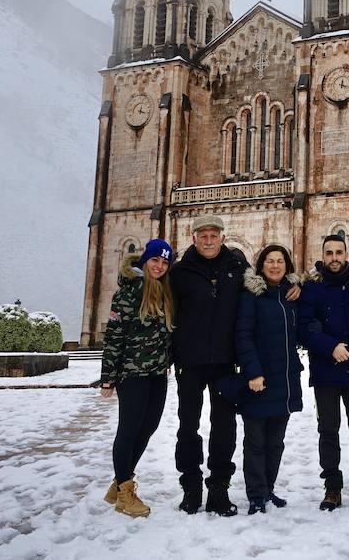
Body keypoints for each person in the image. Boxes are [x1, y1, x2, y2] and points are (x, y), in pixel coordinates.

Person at [169, 215, 300, 515]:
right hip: (190, 362)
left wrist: (294, 283)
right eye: (203, 235)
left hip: (225, 364)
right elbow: (165, 311)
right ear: (194, 238)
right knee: (188, 426)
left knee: (224, 427)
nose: (209, 240)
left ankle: (218, 489)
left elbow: (267, 282)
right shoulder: (180, 273)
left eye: (214, 235)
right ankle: (191, 487)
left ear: (222, 237)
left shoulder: (237, 268)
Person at [99, 238, 175, 519]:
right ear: (145, 260)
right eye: (155, 260)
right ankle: (125, 493)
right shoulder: (128, 293)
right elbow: (114, 336)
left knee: (149, 427)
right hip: (132, 373)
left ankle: (119, 484)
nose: (159, 266)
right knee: (129, 430)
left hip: (157, 372)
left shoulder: (164, 291)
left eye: (165, 262)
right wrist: (107, 378)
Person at [298, 233, 349, 510]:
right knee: (328, 430)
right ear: (323, 255)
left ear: (346, 254)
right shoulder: (312, 288)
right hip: (326, 371)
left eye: (338, 252)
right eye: (329, 253)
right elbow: (305, 327)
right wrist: (330, 346)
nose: (334, 258)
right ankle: (332, 487)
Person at [228, 244, 303, 514]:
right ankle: (256, 495)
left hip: (284, 380)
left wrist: (302, 286)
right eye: (269, 261)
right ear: (261, 266)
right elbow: (243, 335)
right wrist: (253, 371)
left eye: (280, 261)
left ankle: (268, 488)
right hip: (258, 380)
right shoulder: (252, 295)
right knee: (256, 442)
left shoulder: (292, 295)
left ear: (287, 266)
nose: (274, 265)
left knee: (275, 442)